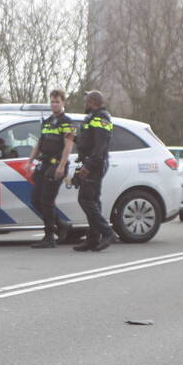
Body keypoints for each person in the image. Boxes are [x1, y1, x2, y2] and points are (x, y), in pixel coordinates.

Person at [24, 89, 76, 248]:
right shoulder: (47, 122)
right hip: (44, 164)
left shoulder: (67, 122)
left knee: (46, 201)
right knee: (35, 199)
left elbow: (68, 146)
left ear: (63, 103)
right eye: (52, 101)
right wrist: (30, 161)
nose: (54, 104)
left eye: (57, 102)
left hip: (56, 165)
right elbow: (39, 143)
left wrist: (61, 166)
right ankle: (61, 226)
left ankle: (49, 237)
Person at [72, 90, 117, 252]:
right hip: (91, 162)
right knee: (93, 201)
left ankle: (107, 232)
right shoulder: (92, 118)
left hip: (95, 165)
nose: (84, 103)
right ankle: (92, 239)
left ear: (93, 102)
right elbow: (88, 142)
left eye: (86, 101)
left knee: (86, 200)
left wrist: (88, 166)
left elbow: (100, 146)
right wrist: (74, 138)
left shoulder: (101, 118)